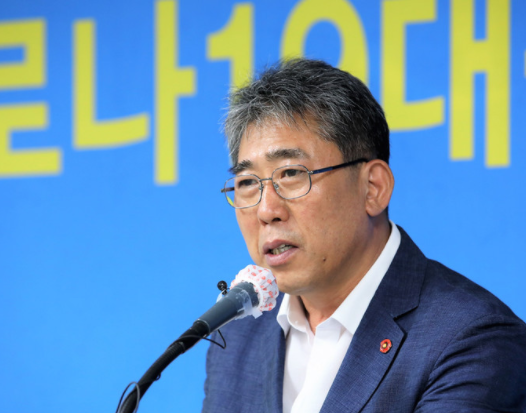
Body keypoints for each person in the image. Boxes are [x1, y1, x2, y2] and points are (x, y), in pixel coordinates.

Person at [202, 58, 526, 413]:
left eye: (291, 173)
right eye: (248, 182)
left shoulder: (473, 339)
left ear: (373, 188)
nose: (267, 211)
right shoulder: (238, 334)